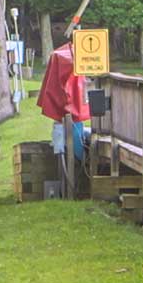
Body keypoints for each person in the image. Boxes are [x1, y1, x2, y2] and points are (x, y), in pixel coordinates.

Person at [36, 44, 90, 186]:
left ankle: (75, 178)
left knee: (72, 146)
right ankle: (77, 179)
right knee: (73, 146)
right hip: (72, 119)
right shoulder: (66, 62)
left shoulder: (60, 59)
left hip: (69, 119)